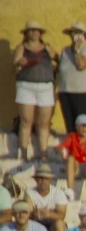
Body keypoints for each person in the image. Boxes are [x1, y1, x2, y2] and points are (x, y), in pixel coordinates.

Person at [13, 20, 56, 163]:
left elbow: (58, 59)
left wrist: (53, 54)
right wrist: (22, 61)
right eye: (31, 30)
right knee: (26, 121)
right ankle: (23, 153)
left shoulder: (47, 47)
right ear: (26, 33)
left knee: (44, 123)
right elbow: (16, 61)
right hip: (26, 86)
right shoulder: (21, 47)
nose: (34, 33)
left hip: (45, 86)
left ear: (40, 33)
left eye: (37, 30)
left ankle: (44, 153)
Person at [56, 21, 86, 131]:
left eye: (79, 33)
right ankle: (72, 147)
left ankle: (84, 148)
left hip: (81, 92)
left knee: (83, 126)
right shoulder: (65, 50)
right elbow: (61, 68)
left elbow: (81, 65)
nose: (76, 35)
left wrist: (77, 50)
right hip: (65, 92)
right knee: (70, 125)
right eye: (74, 33)